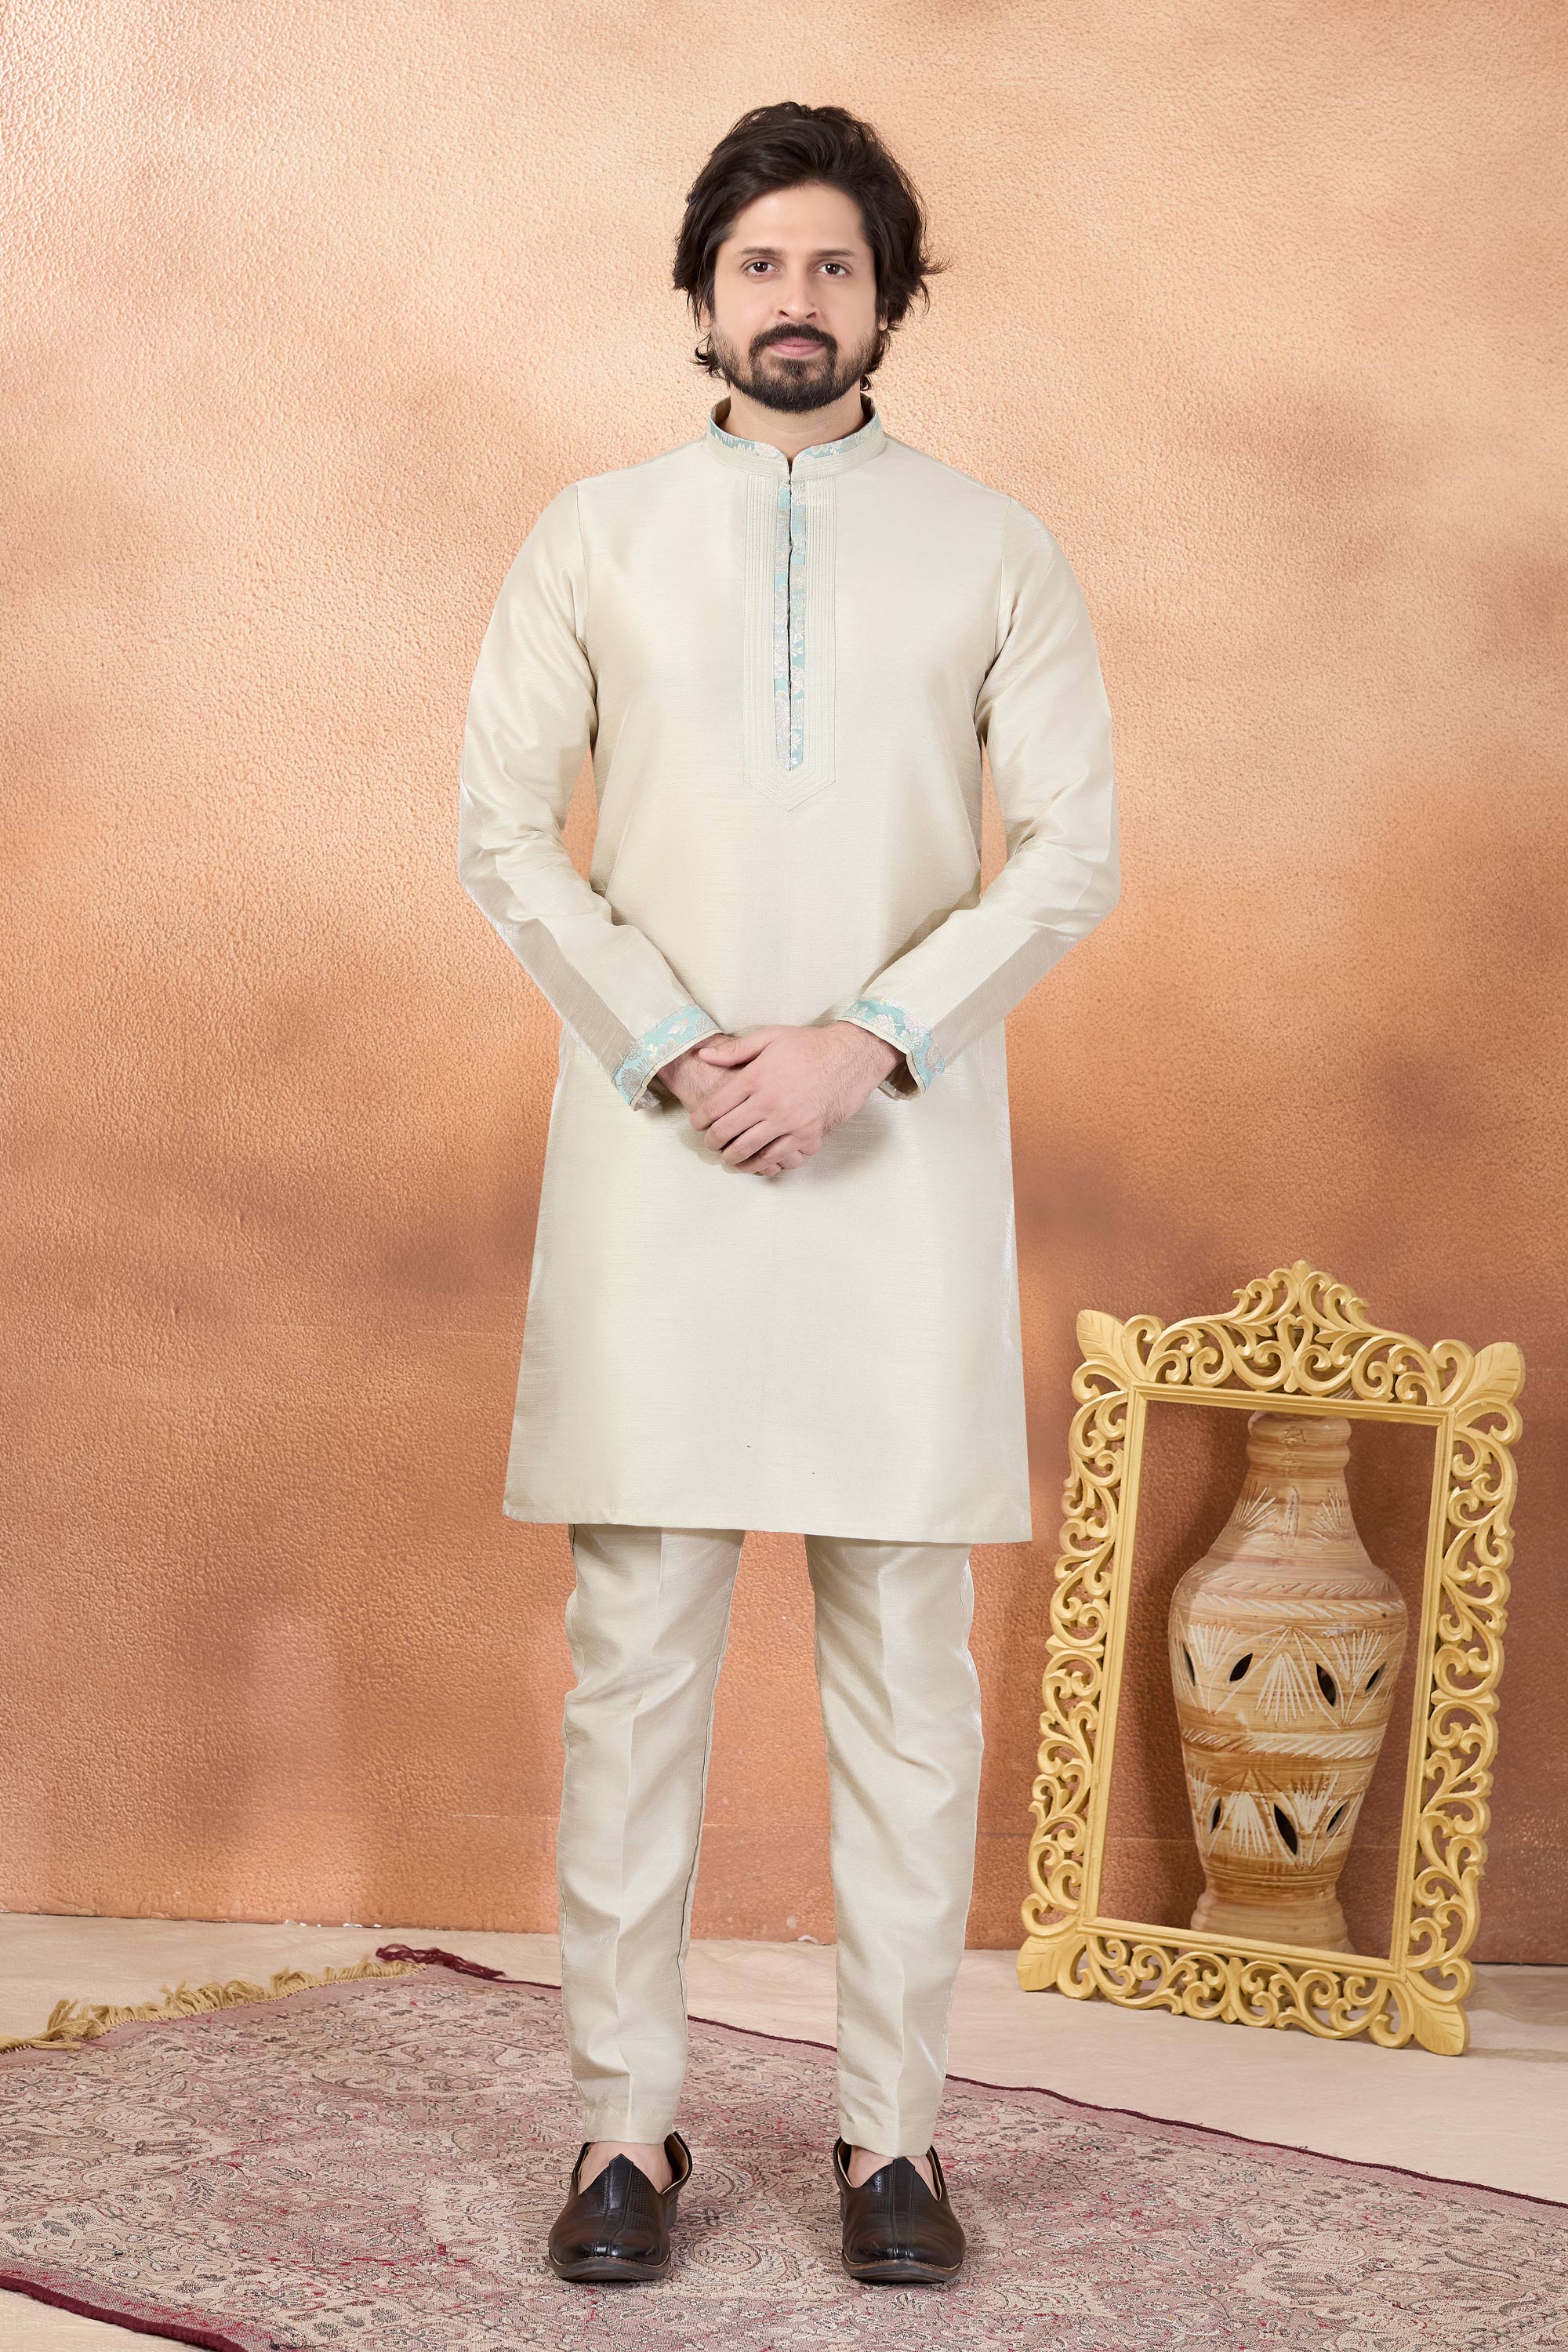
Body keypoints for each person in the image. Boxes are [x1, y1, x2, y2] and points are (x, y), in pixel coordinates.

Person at [456, 99, 1120, 2286]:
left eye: (837, 264)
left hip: (894, 1165)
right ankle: (618, 2134)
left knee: (912, 1682)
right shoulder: (593, 536)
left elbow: (1074, 857)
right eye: (762, 263)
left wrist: (865, 1044)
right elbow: (504, 837)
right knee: (634, 1669)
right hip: (659, 1168)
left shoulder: (996, 549)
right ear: (702, 293)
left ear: (889, 296)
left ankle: (893, 2144)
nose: (798, 300)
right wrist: (668, 1042)